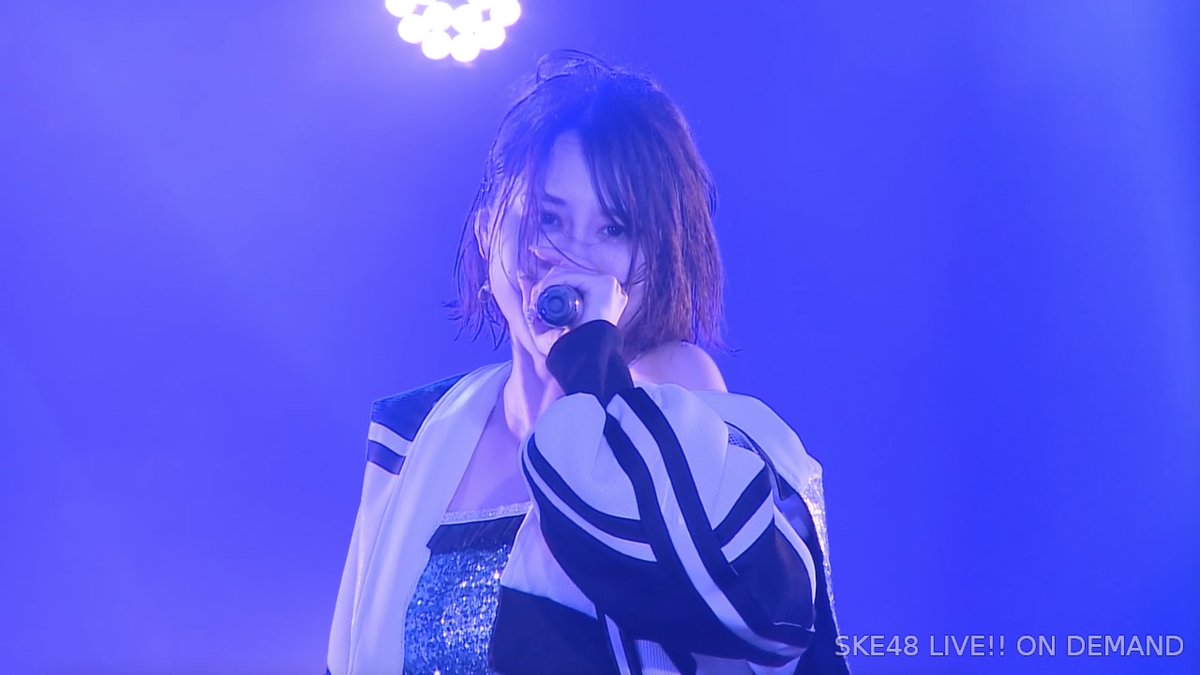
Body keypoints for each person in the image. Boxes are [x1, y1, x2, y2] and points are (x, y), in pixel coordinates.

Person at [325, 50, 850, 675]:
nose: (572, 256)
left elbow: (756, 609)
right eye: (548, 218)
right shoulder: (416, 437)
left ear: (656, 255)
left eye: (613, 229)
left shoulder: (678, 400)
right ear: (489, 229)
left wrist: (586, 363)